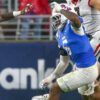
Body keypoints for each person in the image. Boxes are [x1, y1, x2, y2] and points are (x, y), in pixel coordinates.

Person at [32, 2, 98, 100]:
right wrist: (50, 78)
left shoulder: (74, 27)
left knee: (55, 89)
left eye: (57, 18)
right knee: (87, 96)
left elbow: (75, 18)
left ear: (64, 16)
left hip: (87, 70)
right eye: (54, 20)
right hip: (81, 69)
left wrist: (61, 10)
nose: (55, 22)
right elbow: (63, 62)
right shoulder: (59, 35)